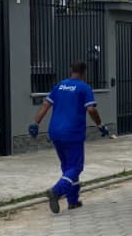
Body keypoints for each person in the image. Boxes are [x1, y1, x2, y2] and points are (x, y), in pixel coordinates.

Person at [29, 61, 109, 214]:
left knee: (68, 167)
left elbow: (45, 105)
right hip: (72, 133)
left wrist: (35, 123)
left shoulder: (59, 86)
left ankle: (73, 201)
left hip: (55, 132)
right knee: (76, 167)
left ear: (71, 71)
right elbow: (91, 109)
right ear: (84, 73)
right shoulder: (84, 88)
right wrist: (100, 125)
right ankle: (56, 191)